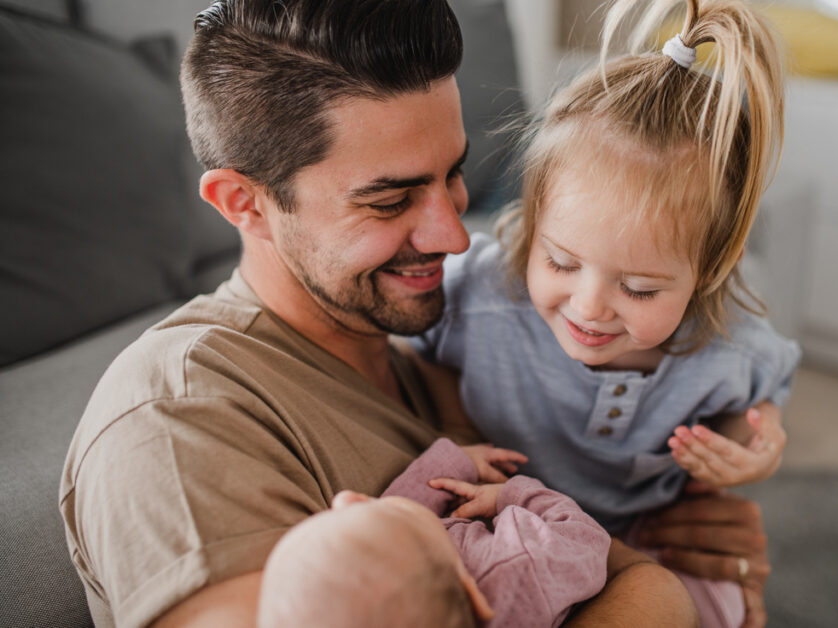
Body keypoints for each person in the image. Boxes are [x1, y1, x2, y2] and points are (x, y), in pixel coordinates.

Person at [58, 1, 773, 626]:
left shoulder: (451, 337)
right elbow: (650, 596)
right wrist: (656, 599)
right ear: (245, 203)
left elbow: (649, 570)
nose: (457, 237)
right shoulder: (180, 415)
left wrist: (686, 565)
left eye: (454, 175)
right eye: (389, 199)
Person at [409, 0, 798, 626]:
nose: (588, 306)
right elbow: (411, 349)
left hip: (642, 543)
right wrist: (455, 431)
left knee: (722, 605)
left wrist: (757, 449)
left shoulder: (732, 349)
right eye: (560, 262)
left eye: (641, 289)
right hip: (514, 524)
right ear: (531, 228)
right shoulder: (479, 295)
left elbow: (759, 404)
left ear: (712, 270)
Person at [258, 437, 635, 627]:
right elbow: (587, 537)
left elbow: (399, 517)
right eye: (373, 513)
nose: (345, 498)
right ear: (469, 588)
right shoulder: (516, 569)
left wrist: (456, 462)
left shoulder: (418, 581)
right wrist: (511, 494)